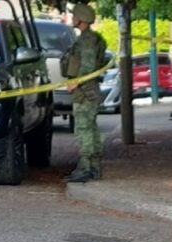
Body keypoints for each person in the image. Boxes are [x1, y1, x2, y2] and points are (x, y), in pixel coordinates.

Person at [62, 3, 106, 183]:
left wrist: (75, 82)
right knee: (90, 127)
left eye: (74, 16)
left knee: (84, 129)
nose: (72, 18)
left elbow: (87, 66)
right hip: (88, 89)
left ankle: (86, 167)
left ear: (81, 19)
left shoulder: (87, 41)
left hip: (84, 91)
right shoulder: (90, 38)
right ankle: (94, 166)